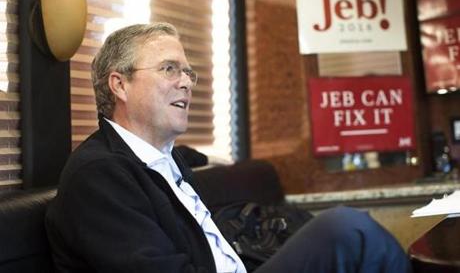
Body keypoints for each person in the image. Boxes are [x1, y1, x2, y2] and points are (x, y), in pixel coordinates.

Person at [45, 22, 412, 273]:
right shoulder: (98, 177)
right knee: (347, 228)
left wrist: (208, 157)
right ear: (119, 85)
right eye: (170, 69)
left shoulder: (160, 156)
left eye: (189, 73)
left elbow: (177, 163)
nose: (186, 82)